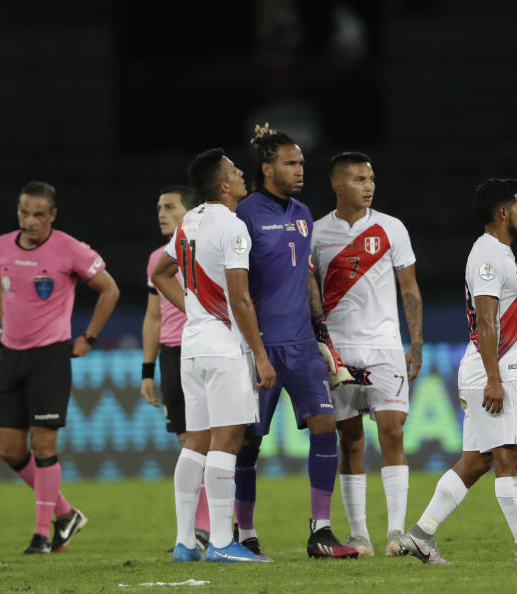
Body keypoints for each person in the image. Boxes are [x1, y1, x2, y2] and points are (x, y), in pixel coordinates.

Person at [399, 178, 517, 565]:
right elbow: (486, 319)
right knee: (510, 455)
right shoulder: (490, 256)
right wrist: (495, 379)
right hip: (492, 369)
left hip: (486, 367)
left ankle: (420, 534)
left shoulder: (497, 253)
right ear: (502, 212)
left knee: (477, 461)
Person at [232, 124, 366, 559]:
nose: (299, 169)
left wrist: (320, 328)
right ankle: (246, 533)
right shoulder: (244, 214)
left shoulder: (305, 213)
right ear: (267, 168)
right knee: (249, 440)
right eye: (290, 163)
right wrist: (253, 348)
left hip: (303, 344)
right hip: (262, 344)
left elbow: (306, 274)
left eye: (302, 163)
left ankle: (320, 532)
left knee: (326, 427)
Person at [151, 148, 277, 563]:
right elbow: (240, 299)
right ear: (224, 185)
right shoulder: (233, 225)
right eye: (237, 171)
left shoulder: (190, 221)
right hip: (224, 347)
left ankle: (186, 542)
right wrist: (260, 355)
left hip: (192, 346)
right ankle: (222, 541)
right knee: (227, 440)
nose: (243, 175)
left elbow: (160, 273)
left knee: (196, 443)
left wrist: (193, 309)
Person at [0, 180, 120, 554]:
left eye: (37, 215)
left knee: (44, 444)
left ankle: (41, 534)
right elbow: (4, 286)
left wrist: (88, 338)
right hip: (11, 357)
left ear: (52, 215)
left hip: (50, 356)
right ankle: (67, 514)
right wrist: (4, 325)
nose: (29, 222)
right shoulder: (0, 246)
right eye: (23, 213)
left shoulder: (70, 249)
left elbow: (110, 289)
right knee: (10, 451)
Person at [311, 152, 424, 556]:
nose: (369, 185)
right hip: (338, 351)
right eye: (359, 179)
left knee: (393, 431)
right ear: (338, 185)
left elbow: (409, 288)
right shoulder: (316, 232)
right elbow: (309, 292)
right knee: (350, 440)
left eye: (371, 178)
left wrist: (416, 341)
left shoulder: (392, 228)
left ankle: (396, 533)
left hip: (385, 347)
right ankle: (359, 534)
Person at [140, 185, 210, 551]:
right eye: (158, 207)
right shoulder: (158, 258)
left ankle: (213, 525)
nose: (161, 213)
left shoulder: (205, 249)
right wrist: (147, 371)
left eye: (169, 206)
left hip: (205, 348)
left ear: (191, 211)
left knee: (213, 440)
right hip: (171, 352)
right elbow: (153, 317)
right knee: (187, 440)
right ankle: (201, 527)